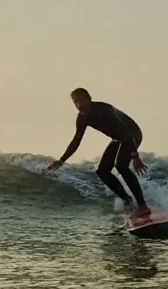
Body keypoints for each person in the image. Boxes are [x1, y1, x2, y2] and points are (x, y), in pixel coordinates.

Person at [47, 88, 151, 217]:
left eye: (82, 101)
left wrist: (135, 156)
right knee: (102, 171)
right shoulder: (82, 118)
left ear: (90, 99)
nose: (79, 105)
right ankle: (128, 201)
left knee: (121, 166)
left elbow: (126, 132)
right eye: (75, 102)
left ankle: (142, 205)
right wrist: (62, 160)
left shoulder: (104, 110)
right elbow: (77, 140)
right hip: (118, 138)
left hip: (132, 134)